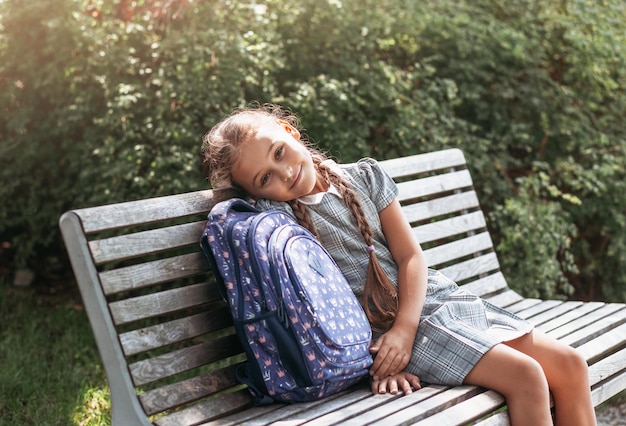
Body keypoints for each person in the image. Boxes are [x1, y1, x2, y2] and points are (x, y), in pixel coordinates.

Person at [201, 104, 597, 426]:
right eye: (265, 177)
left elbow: (410, 257)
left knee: (571, 365)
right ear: (256, 193)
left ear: (290, 132)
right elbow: (313, 312)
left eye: (279, 152)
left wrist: (407, 326)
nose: (285, 173)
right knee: (527, 377)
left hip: (437, 304)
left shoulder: (364, 177)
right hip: (392, 333)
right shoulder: (278, 222)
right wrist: (384, 355)